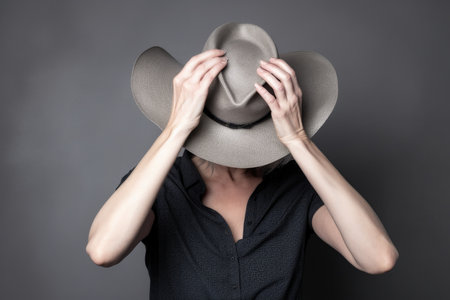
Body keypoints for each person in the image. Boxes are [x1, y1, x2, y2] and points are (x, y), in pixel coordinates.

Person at [86, 23, 399, 299]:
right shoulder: (160, 187)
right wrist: (175, 128)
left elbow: (378, 258)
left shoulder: (298, 189)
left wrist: (298, 138)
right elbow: (103, 251)